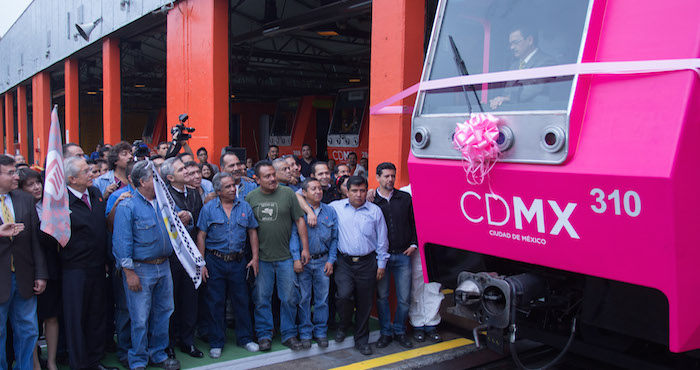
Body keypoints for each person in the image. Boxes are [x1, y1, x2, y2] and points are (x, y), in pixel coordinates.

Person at [112, 161, 180, 370]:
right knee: (139, 317)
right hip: (140, 269)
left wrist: (185, 217)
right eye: (154, 177)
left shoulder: (164, 202)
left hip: (163, 266)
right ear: (142, 181)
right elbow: (121, 242)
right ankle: (138, 359)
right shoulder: (127, 205)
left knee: (164, 312)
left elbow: (177, 227)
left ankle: (158, 354)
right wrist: (129, 272)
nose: (159, 181)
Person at [245, 161, 310, 352]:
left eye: (273, 174)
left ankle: (289, 334)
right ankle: (264, 334)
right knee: (261, 298)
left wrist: (305, 249)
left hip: (286, 258)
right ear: (257, 179)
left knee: (289, 297)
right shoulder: (250, 198)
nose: (273, 178)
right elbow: (249, 229)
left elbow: (299, 221)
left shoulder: (288, 193)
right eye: (267, 176)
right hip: (262, 259)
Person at [61, 156, 117, 370]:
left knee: (96, 314)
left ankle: (94, 361)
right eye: (86, 172)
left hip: (97, 265)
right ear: (72, 179)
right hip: (75, 268)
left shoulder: (94, 194)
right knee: (77, 319)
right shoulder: (62, 201)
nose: (92, 174)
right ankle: (79, 364)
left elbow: (100, 226)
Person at [196, 172, 260, 358]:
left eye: (234, 185)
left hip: (238, 261)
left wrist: (255, 258)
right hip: (214, 261)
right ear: (218, 191)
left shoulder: (244, 206)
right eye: (228, 187)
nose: (233, 189)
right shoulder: (208, 209)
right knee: (215, 302)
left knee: (241, 300)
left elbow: (252, 232)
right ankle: (217, 341)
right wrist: (202, 264)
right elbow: (201, 236)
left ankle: (245, 338)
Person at [330, 176, 388, 356]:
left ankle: (361, 340)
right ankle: (344, 324)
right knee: (344, 295)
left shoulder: (375, 211)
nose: (359, 194)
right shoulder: (335, 207)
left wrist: (381, 264)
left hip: (367, 262)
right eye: (354, 191)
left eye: (363, 190)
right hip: (344, 263)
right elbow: (305, 198)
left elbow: (382, 239)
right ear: (346, 191)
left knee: (365, 302)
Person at [0, 155, 48, 370]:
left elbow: (35, 242)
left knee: (28, 330)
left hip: (24, 277)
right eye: (10, 173)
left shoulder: (23, 199)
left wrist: (40, 274)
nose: (16, 176)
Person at [160, 158, 203, 359]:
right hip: (171, 257)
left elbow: (200, 218)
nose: (187, 172)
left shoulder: (194, 193)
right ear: (170, 177)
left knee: (190, 300)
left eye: (185, 168)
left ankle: (188, 341)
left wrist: (190, 218)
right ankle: (168, 344)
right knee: (170, 302)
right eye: (181, 169)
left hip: (192, 256)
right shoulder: (162, 195)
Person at [289, 178, 338, 349]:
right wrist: (296, 257)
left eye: (320, 188)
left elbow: (334, 239)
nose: (318, 191)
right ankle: (305, 333)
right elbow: (293, 236)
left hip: (323, 261)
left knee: (322, 300)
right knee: (303, 299)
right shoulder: (299, 212)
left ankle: (320, 332)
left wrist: (331, 260)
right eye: (313, 189)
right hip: (304, 262)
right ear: (304, 193)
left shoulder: (330, 211)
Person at [373, 162, 417, 349]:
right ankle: (385, 332)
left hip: (403, 256)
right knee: (382, 297)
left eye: (393, 176)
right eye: (386, 176)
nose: (390, 179)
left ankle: (399, 331)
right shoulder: (370, 200)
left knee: (404, 298)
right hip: (381, 258)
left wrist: (414, 243)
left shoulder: (405, 198)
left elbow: (415, 222)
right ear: (378, 178)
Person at [19, 169, 59, 370]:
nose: (36, 187)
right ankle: (35, 363)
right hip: (29, 271)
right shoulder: (19, 210)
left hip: (51, 268)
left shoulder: (49, 207)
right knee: (31, 322)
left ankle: (51, 362)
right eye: (30, 184)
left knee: (51, 316)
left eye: (38, 182)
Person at [401, 184, 443, 343]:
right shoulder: (405, 192)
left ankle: (432, 323)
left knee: (434, 285)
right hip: (415, 245)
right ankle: (418, 323)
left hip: (435, 243)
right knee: (416, 285)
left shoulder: (438, 189)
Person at [489, 25, 556, 110]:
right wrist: (497, 100)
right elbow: (506, 92)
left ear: (530, 40)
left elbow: (533, 89)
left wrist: (508, 99)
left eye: (516, 42)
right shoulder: (514, 65)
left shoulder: (546, 62)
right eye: (511, 44)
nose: (512, 47)